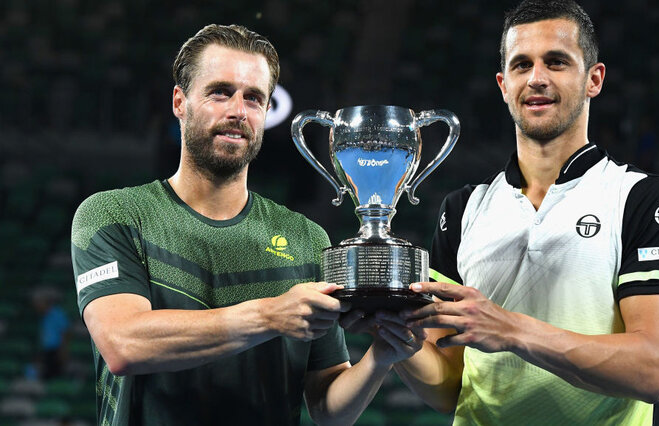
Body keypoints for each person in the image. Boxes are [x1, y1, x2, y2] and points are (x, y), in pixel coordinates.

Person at [70, 24, 422, 426]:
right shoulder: (114, 215)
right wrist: (270, 316)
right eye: (220, 92)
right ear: (179, 102)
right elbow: (123, 344)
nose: (238, 110)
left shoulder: (306, 238)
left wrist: (381, 357)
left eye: (254, 98)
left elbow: (327, 409)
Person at [376, 1, 659, 424]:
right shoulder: (463, 207)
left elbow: (652, 370)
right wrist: (397, 341)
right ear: (504, 84)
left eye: (556, 62)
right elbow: (450, 388)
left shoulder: (643, 197)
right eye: (522, 65)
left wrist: (508, 330)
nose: (537, 78)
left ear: (593, 79)